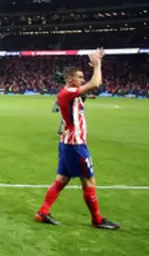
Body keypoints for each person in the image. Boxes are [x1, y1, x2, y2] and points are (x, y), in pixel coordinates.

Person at [35, 48, 120, 230]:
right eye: (80, 77)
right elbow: (96, 83)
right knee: (89, 181)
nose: (83, 80)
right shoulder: (67, 93)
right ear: (70, 79)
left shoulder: (71, 92)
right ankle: (97, 219)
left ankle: (42, 212)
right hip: (75, 144)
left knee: (62, 179)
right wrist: (97, 65)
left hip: (67, 142)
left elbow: (88, 89)